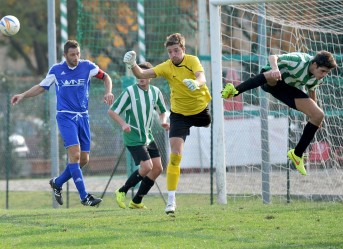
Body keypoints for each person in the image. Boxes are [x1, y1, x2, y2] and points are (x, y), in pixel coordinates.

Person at [11, 40, 114, 206]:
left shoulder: (87, 66)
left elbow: (106, 77)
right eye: (72, 55)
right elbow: (40, 87)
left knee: (84, 159)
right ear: (65, 55)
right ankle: (84, 197)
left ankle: (57, 183)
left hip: (83, 116)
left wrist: (108, 92)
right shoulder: (57, 70)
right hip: (65, 116)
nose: (76, 57)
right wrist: (23, 95)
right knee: (74, 155)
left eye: (78, 54)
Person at [123, 33, 212, 214]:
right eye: (170, 51)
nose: (173, 54)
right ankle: (171, 201)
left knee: (207, 123)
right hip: (179, 114)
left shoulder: (192, 60)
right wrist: (132, 65)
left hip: (200, 111)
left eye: (176, 50)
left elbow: (201, 77)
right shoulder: (166, 66)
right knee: (175, 155)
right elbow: (141, 73)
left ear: (183, 50)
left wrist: (196, 83)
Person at [221, 50, 337, 176]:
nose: (324, 74)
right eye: (323, 71)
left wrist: (312, 115)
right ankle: (235, 90)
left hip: (285, 89)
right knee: (272, 74)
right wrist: (276, 68)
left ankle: (297, 154)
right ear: (314, 64)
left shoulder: (317, 78)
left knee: (319, 115)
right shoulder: (299, 60)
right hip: (269, 80)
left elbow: (311, 91)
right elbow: (273, 57)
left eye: (327, 72)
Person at [108, 62, 169, 209]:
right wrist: (123, 124)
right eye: (138, 73)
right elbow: (112, 111)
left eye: (144, 73)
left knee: (158, 168)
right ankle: (122, 191)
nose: (141, 77)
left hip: (148, 136)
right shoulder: (130, 91)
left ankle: (136, 201)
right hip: (133, 136)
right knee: (147, 166)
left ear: (150, 76)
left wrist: (163, 121)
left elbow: (162, 110)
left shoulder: (155, 92)